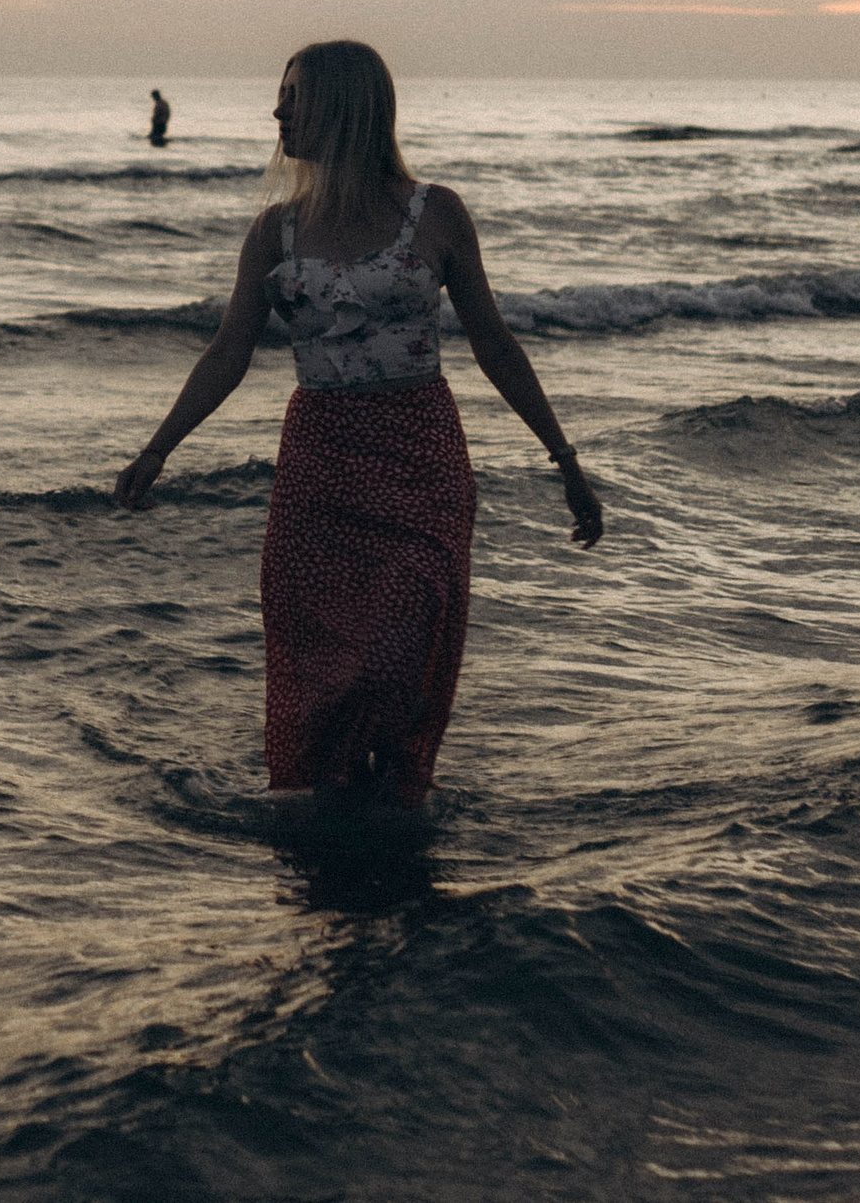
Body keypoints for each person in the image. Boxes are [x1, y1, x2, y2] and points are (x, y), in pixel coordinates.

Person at [114, 40, 601, 808]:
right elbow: (227, 352)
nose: (277, 110)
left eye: (295, 95)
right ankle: (334, 835)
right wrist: (158, 449)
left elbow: (495, 343)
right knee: (317, 669)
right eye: (280, 94)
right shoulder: (273, 232)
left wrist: (563, 459)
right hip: (318, 469)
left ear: (345, 105)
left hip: (420, 458)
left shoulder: (433, 214)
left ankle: (392, 802)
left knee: (402, 652)